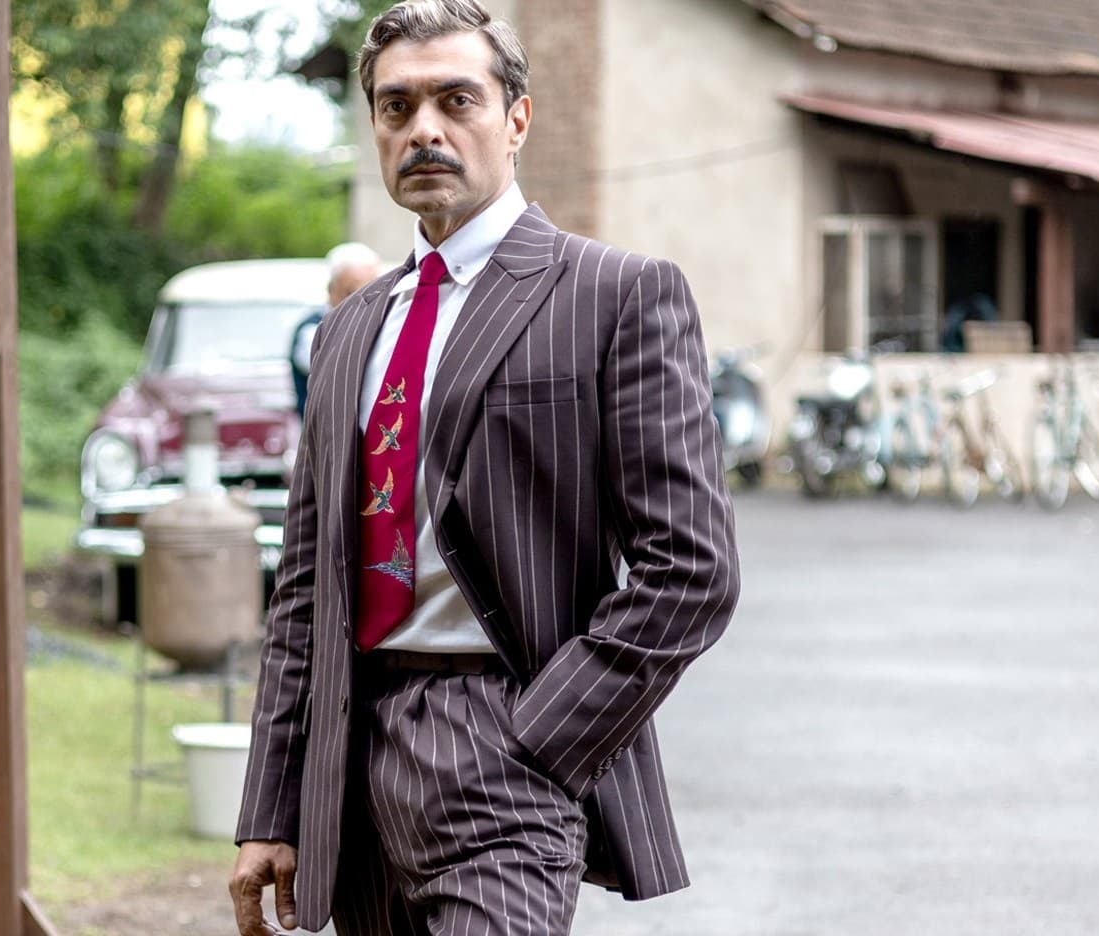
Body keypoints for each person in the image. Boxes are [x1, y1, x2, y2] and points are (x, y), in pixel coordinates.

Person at [230, 2, 741, 934]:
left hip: (506, 741)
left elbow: (692, 569)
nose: (424, 128)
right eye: (397, 107)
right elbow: (306, 585)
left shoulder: (615, 295)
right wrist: (273, 802)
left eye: (456, 99)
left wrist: (541, 739)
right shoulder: (349, 331)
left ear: (517, 119)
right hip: (355, 758)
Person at [291, 242, 384, 419]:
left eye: (375, 291)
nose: (365, 301)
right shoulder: (312, 331)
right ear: (331, 289)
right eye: (352, 292)